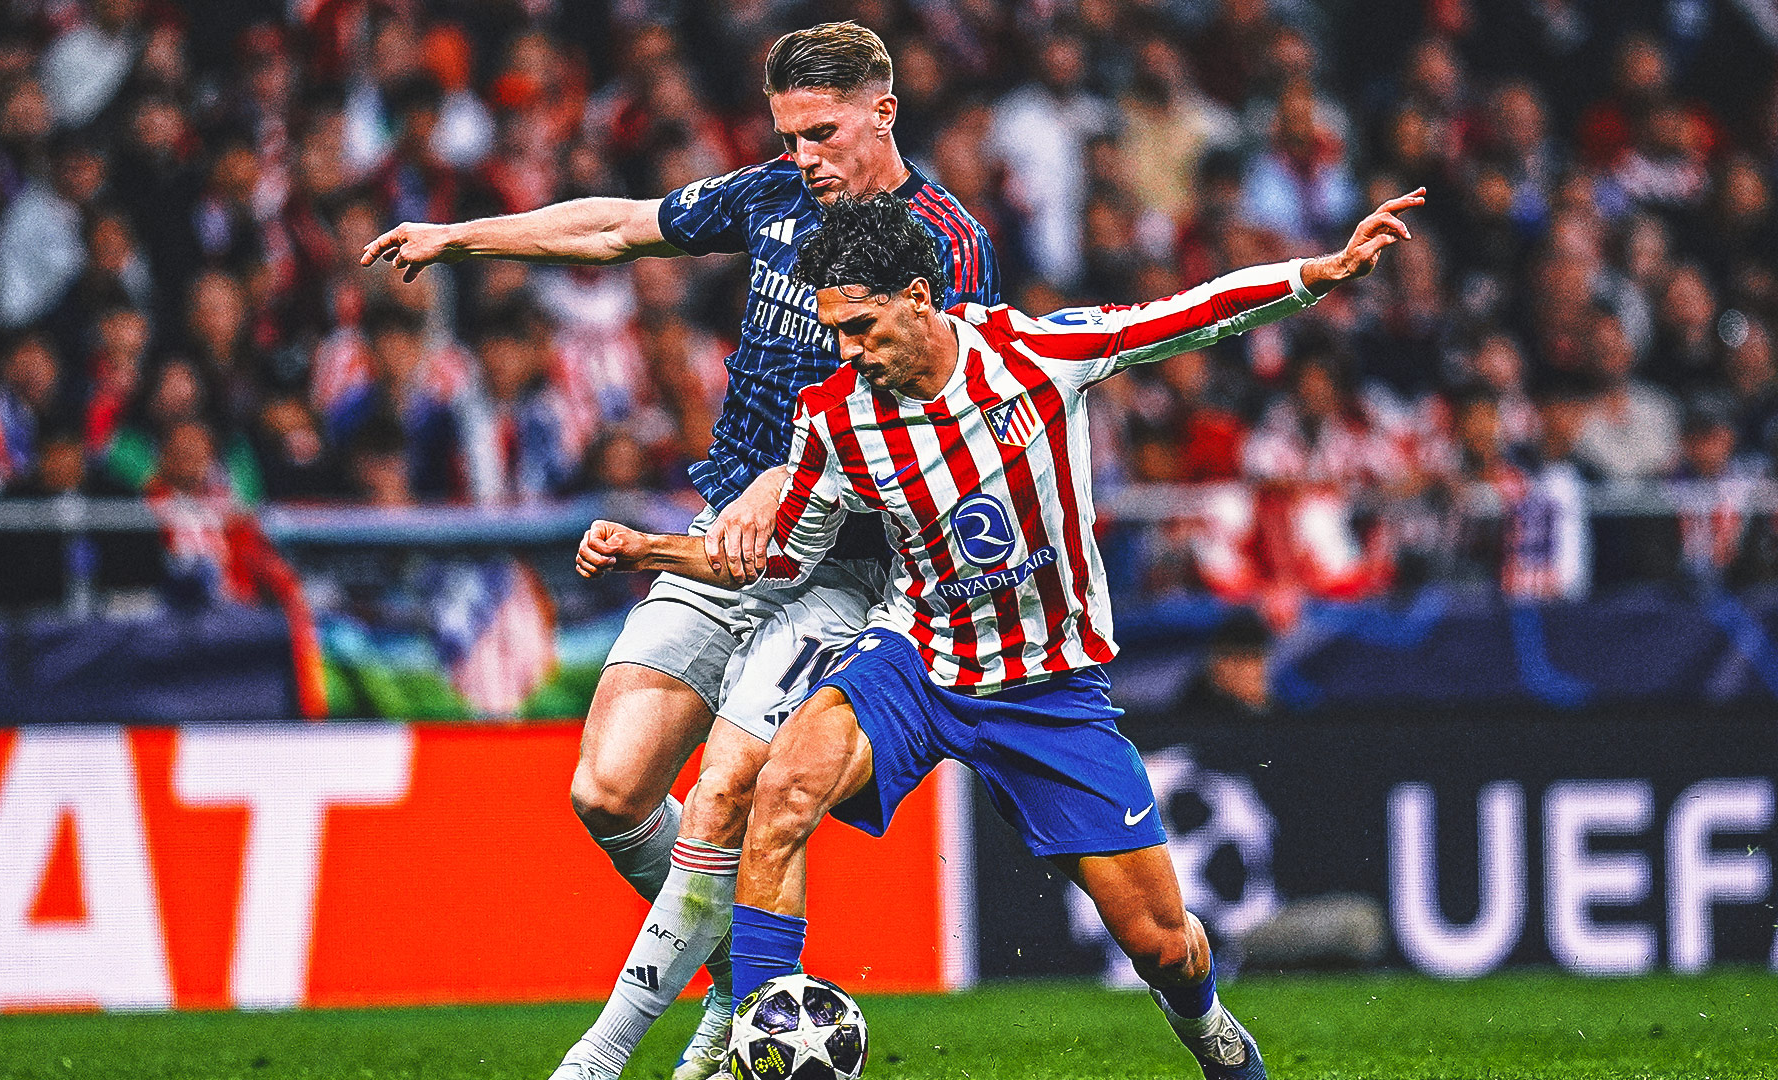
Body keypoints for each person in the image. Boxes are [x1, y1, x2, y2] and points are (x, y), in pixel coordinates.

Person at [578, 187, 1422, 1078]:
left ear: (917, 296)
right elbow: (783, 559)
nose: (848, 352)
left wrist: (1318, 273)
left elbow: (1192, 314)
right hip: (919, 658)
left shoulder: (1035, 355)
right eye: (835, 333)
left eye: (861, 328)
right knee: (780, 786)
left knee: (1162, 944)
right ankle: (761, 1045)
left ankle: (1210, 1027)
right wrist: (653, 549)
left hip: (1049, 685)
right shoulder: (834, 417)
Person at [362, 23, 998, 1080]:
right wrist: (459, 236)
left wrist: (787, 477)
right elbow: (619, 226)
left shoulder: (948, 244)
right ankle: (726, 973)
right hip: (722, 541)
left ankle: (607, 1052)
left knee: (726, 791)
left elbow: (928, 413)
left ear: (883, 113)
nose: (804, 156)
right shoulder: (773, 196)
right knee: (608, 791)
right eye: (788, 135)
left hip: (848, 568)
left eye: (823, 133)